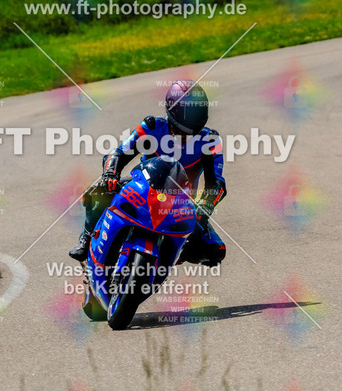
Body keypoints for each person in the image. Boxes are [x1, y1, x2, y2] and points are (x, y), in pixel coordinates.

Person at [69, 80, 227, 266]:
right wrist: (110, 174)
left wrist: (206, 205)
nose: (193, 118)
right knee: (99, 192)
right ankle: (87, 238)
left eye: (197, 111)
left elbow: (217, 183)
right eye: (189, 112)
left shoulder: (211, 140)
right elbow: (118, 153)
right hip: (141, 190)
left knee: (215, 250)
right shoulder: (151, 126)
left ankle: (169, 258)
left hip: (182, 205)